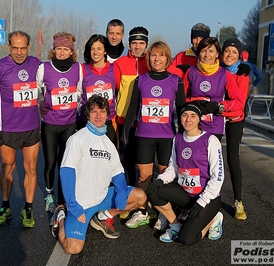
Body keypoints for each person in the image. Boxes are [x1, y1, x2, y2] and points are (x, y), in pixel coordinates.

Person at [51, 94, 147, 254]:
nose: (98, 116)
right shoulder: (78, 139)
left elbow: (118, 174)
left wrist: (122, 193)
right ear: (87, 114)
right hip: (81, 204)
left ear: (107, 115)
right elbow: (66, 172)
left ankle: (103, 217)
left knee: (140, 197)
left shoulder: (108, 144)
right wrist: (73, 206)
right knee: (73, 248)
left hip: (102, 197)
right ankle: (61, 218)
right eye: (94, 112)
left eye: (102, 112)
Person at [0, 31, 41, 228]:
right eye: (15, 47)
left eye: (23, 47)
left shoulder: (36, 64)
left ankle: (28, 208)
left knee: (31, 168)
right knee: (7, 167)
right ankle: (5, 206)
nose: (19, 52)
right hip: (8, 129)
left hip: (32, 128)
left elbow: (52, 81)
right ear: (9, 47)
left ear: (28, 47)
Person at [123, 41, 186, 229]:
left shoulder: (176, 80)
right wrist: (125, 137)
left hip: (166, 137)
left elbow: (182, 110)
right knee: (144, 177)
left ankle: (163, 213)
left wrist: (184, 139)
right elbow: (132, 110)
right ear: (148, 58)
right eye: (153, 55)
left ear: (168, 58)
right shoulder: (140, 80)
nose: (157, 59)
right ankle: (142, 211)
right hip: (144, 135)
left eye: (161, 55)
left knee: (165, 176)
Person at [147, 102, 224, 244]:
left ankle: (214, 219)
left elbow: (218, 177)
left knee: (186, 239)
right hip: (186, 195)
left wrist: (202, 202)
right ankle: (175, 224)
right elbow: (174, 168)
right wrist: (160, 179)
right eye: (185, 115)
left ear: (200, 119)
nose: (188, 119)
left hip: (207, 199)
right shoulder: (178, 138)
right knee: (154, 191)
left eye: (193, 116)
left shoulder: (210, 140)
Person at [36, 32, 83, 214]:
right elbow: (36, 88)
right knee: (50, 162)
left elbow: (79, 92)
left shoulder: (78, 68)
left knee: (66, 163)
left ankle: (64, 199)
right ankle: (49, 194)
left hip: (69, 123)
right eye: (58, 49)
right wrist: (42, 103)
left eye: (65, 49)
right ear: (53, 50)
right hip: (50, 123)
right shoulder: (44, 68)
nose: (62, 52)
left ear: (71, 52)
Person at [183, 37, 243, 141]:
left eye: (211, 51)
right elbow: (181, 98)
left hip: (214, 126)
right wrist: (195, 103)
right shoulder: (191, 72)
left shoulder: (224, 74)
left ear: (217, 54)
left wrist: (219, 106)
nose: (207, 55)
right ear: (198, 53)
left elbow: (238, 102)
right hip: (193, 125)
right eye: (203, 51)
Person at [114, 26, 150, 188]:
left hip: (146, 120)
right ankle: (129, 191)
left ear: (146, 45)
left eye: (141, 43)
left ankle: (145, 196)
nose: (137, 46)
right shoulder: (120, 63)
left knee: (144, 160)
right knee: (127, 158)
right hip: (124, 119)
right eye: (134, 43)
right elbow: (114, 88)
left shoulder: (152, 62)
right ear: (129, 44)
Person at [221, 38, 251, 220]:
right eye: (227, 51)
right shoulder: (216, 71)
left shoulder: (243, 74)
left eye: (234, 52)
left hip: (234, 119)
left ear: (239, 55)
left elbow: (239, 104)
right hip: (216, 119)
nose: (230, 55)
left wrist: (218, 107)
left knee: (232, 157)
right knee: (209, 158)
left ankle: (238, 201)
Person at [79, 34, 117, 145]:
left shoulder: (114, 69)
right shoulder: (82, 69)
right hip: (87, 121)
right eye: (92, 48)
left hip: (108, 121)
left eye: (99, 48)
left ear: (105, 51)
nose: (96, 52)